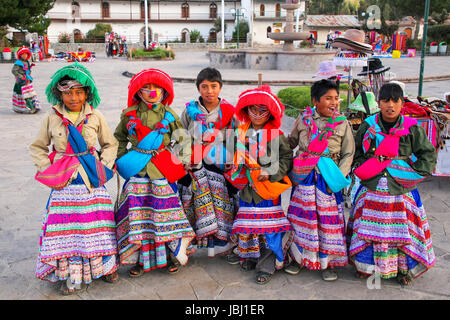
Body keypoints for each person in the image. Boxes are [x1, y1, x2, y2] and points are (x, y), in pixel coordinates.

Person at [30, 63, 119, 295]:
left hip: (90, 181)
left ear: (87, 93)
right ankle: (70, 274)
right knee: (66, 231)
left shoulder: (95, 116)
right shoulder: (52, 118)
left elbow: (110, 144)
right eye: (67, 92)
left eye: (78, 92)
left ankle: (105, 267)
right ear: (59, 93)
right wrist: (48, 168)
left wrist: (105, 167)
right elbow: (38, 147)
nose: (73, 97)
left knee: (98, 227)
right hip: (64, 184)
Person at [348, 83, 437, 285]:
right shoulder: (368, 126)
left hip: (400, 188)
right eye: (386, 100)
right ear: (378, 103)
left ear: (402, 103)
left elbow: (427, 154)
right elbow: (357, 155)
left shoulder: (411, 127)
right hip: (372, 187)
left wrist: (415, 174)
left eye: (395, 100)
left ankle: (403, 270)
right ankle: (366, 267)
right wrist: (367, 168)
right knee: (368, 230)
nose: (391, 105)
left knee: (402, 231)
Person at [114, 68, 196, 277]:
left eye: (156, 87)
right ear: (138, 92)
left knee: (165, 215)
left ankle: (170, 256)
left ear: (164, 91)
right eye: (146, 88)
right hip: (137, 171)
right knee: (138, 216)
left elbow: (183, 139)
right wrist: (120, 158)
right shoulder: (129, 115)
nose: (152, 92)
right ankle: (140, 260)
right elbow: (119, 138)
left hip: (163, 170)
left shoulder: (170, 116)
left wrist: (184, 160)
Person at [286, 79, 355, 281]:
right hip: (305, 177)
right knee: (301, 220)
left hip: (329, 178)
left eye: (336, 98)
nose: (334, 102)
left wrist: (339, 176)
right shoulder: (303, 119)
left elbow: (348, 152)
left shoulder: (342, 123)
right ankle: (299, 259)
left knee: (328, 221)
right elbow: (290, 143)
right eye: (328, 98)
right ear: (315, 101)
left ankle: (328, 263)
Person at [225, 85, 293, 285]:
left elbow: (287, 158)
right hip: (246, 189)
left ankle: (266, 265)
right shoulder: (239, 133)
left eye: (262, 110)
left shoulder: (277, 135)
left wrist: (270, 172)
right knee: (249, 226)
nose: (257, 114)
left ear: (270, 112)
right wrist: (231, 164)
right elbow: (230, 155)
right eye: (252, 109)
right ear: (245, 110)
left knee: (268, 228)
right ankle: (251, 257)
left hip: (267, 190)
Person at [178, 67, 239, 261]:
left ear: (220, 87)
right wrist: (185, 158)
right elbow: (182, 136)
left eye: (213, 86)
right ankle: (199, 243)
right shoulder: (190, 110)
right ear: (198, 88)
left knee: (221, 206)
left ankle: (221, 244)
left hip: (220, 167)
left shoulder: (229, 111)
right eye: (204, 86)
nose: (209, 91)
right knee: (198, 206)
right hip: (195, 167)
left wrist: (232, 158)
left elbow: (237, 137)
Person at [11, 46, 40, 114]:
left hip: (27, 80)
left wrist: (30, 67)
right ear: (20, 55)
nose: (24, 55)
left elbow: (27, 70)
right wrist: (21, 76)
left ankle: (33, 106)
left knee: (30, 94)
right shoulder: (18, 63)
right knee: (26, 95)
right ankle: (31, 108)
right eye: (23, 54)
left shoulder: (26, 62)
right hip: (21, 82)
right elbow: (14, 71)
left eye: (26, 54)